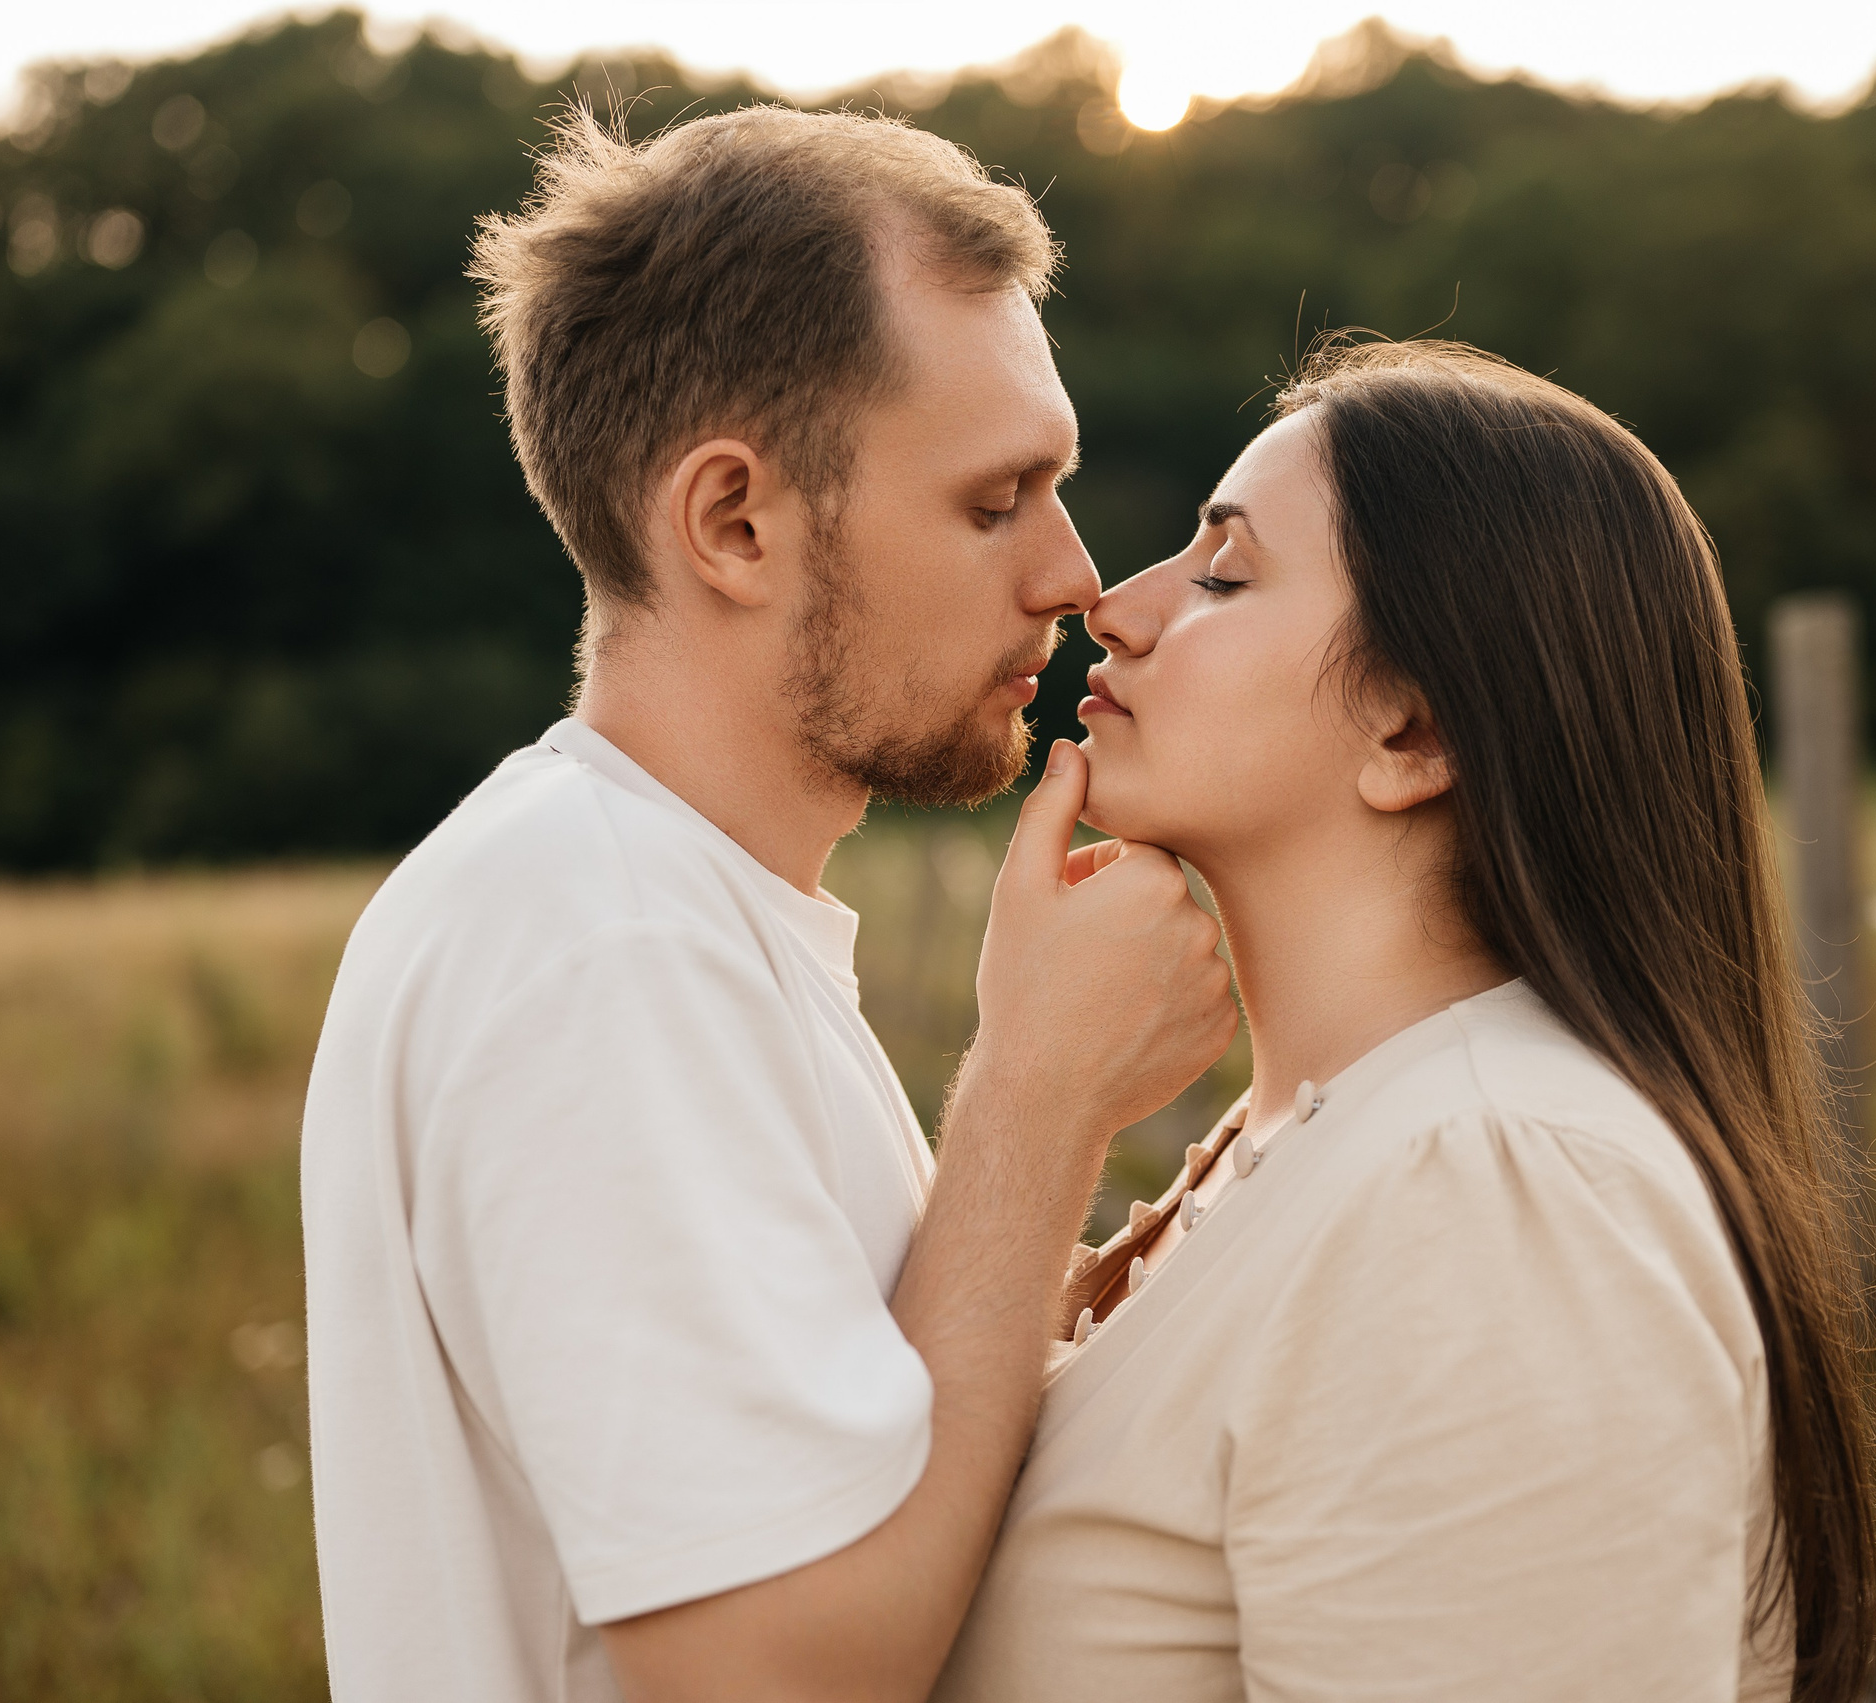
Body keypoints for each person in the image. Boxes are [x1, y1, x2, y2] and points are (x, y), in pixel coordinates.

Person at [299, 107, 1238, 1703]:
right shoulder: (599, 948)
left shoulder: (664, 913)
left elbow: (857, 1471)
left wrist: (1079, 1310)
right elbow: (773, 1675)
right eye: (994, 499)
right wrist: (1038, 1093)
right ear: (734, 522)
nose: (1077, 574)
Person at [934, 340, 1876, 1703]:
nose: (1114, 604)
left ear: (1411, 730)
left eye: (1223, 574)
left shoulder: (1496, 1187)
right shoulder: (1315, 1146)